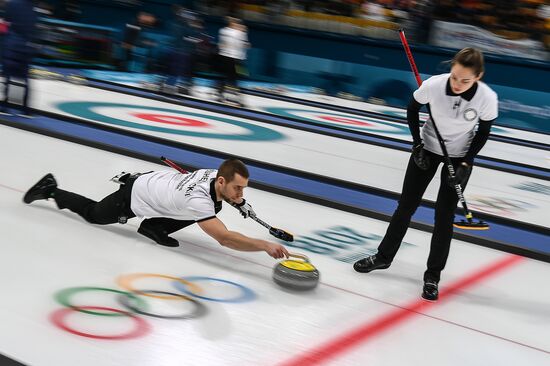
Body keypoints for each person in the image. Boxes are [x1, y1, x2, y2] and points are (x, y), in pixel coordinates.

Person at [354, 48, 498, 301]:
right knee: (406, 207)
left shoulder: (487, 98)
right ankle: (383, 257)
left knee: (443, 217)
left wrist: (466, 162)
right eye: (454, 77)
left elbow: (484, 131)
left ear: (479, 76)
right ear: (451, 69)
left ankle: (432, 277)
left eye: (465, 80)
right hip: (428, 150)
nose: (457, 84)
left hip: (459, 155)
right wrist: (416, 143)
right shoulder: (434, 85)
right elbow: (412, 108)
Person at [22, 159, 290, 259]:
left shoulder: (213, 175)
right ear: (222, 181)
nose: (240, 194)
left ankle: (154, 226)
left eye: (243, 189)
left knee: (212, 208)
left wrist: (240, 202)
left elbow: (226, 196)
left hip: (158, 185)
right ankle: (50, 189)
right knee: (94, 215)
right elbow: (225, 238)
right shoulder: (200, 200)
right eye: (238, 188)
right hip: (136, 195)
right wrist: (262, 245)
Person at [0, 0, 38, 117]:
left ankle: (4, 106)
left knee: (8, 75)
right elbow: (32, 28)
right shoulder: (33, 9)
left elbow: (6, 22)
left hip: (12, 43)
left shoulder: (13, 4)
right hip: (26, 45)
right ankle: (26, 108)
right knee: (25, 77)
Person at [216, 16, 249, 106]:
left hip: (235, 58)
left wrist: (243, 34)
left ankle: (229, 96)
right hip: (230, 58)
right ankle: (223, 95)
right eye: (235, 23)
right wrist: (242, 32)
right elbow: (232, 44)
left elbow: (244, 45)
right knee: (230, 77)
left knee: (233, 78)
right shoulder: (229, 32)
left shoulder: (239, 32)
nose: (237, 24)